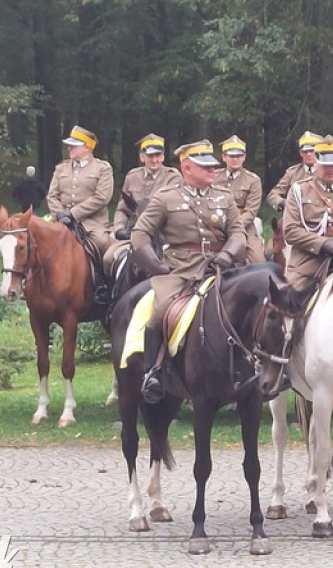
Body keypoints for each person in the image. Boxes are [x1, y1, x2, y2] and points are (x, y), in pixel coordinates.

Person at [131, 140, 246, 403]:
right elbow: (139, 235)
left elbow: (238, 232)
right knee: (159, 312)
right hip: (180, 271)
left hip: (221, 267)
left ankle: (257, 368)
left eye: (212, 165)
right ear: (186, 168)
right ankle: (153, 372)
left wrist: (227, 255)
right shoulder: (166, 198)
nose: (212, 170)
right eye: (204, 166)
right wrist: (158, 267)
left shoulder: (224, 197)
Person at [281, 136, 333, 289]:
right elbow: (290, 231)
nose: (330, 169)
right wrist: (324, 243)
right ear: (316, 162)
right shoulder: (299, 190)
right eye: (326, 165)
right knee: (289, 300)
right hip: (309, 261)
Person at [47, 125, 115, 303]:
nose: (69, 148)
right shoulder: (61, 168)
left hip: (92, 223)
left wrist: (73, 214)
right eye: (69, 145)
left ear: (87, 147)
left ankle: (105, 287)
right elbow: (52, 195)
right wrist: (60, 214)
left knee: (103, 243)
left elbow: (102, 197)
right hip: (61, 221)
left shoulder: (102, 168)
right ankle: (31, 286)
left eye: (74, 145)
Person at [102, 133, 181, 278]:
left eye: (158, 155)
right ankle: (110, 295)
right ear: (142, 157)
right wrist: (119, 228)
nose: (154, 160)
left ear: (163, 157)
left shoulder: (173, 177)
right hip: (133, 234)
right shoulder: (133, 177)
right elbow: (122, 208)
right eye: (150, 156)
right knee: (108, 258)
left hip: (162, 235)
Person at [214, 135, 265, 264]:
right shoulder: (213, 177)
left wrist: (234, 227)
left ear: (244, 157)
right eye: (231, 156)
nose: (235, 159)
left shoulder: (253, 180)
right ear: (224, 157)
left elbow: (251, 211)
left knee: (257, 260)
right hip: (215, 225)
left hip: (244, 226)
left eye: (238, 156)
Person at [266, 131, 323, 212]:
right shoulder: (292, 173)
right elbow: (272, 195)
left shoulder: (327, 172)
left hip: (320, 215)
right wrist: (284, 203)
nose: (309, 154)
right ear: (300, 153)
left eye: (312, 151)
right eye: (305, 152)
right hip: (295, 215)